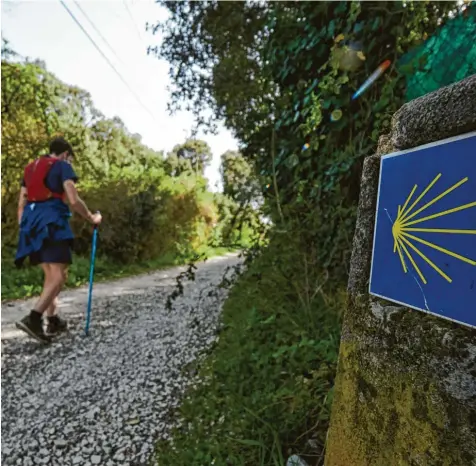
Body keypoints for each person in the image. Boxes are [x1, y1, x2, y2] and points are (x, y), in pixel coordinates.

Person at [15, 137, 102, 344]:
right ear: (65, 154)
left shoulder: (30, 168)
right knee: (59, 276)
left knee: (51, 275)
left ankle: (52, 319)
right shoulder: (62, 166)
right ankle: (34, 318)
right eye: (70, 158)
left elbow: (22, 203)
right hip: (52, 222)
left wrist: (25, 228)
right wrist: (91, 217)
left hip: (31, 223)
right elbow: (73, 199)